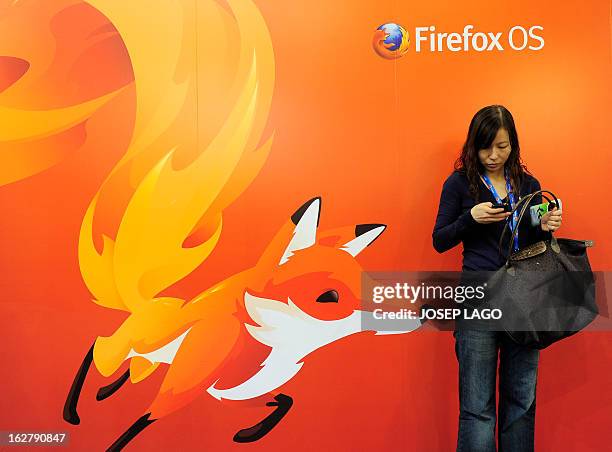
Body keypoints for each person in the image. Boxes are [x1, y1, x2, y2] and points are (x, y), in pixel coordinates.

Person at [431, 105, 563, 452]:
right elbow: (440, 239)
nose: (493, 155)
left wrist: (546, 229)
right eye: (485, 147)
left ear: (513, 144)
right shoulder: (459, 184)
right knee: (477, 408)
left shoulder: (529, 184)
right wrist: (470, 218)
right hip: (479, 298)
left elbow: (535, 248)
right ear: (473, 146)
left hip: (526, 300)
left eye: (502, 147)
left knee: (521, 404)